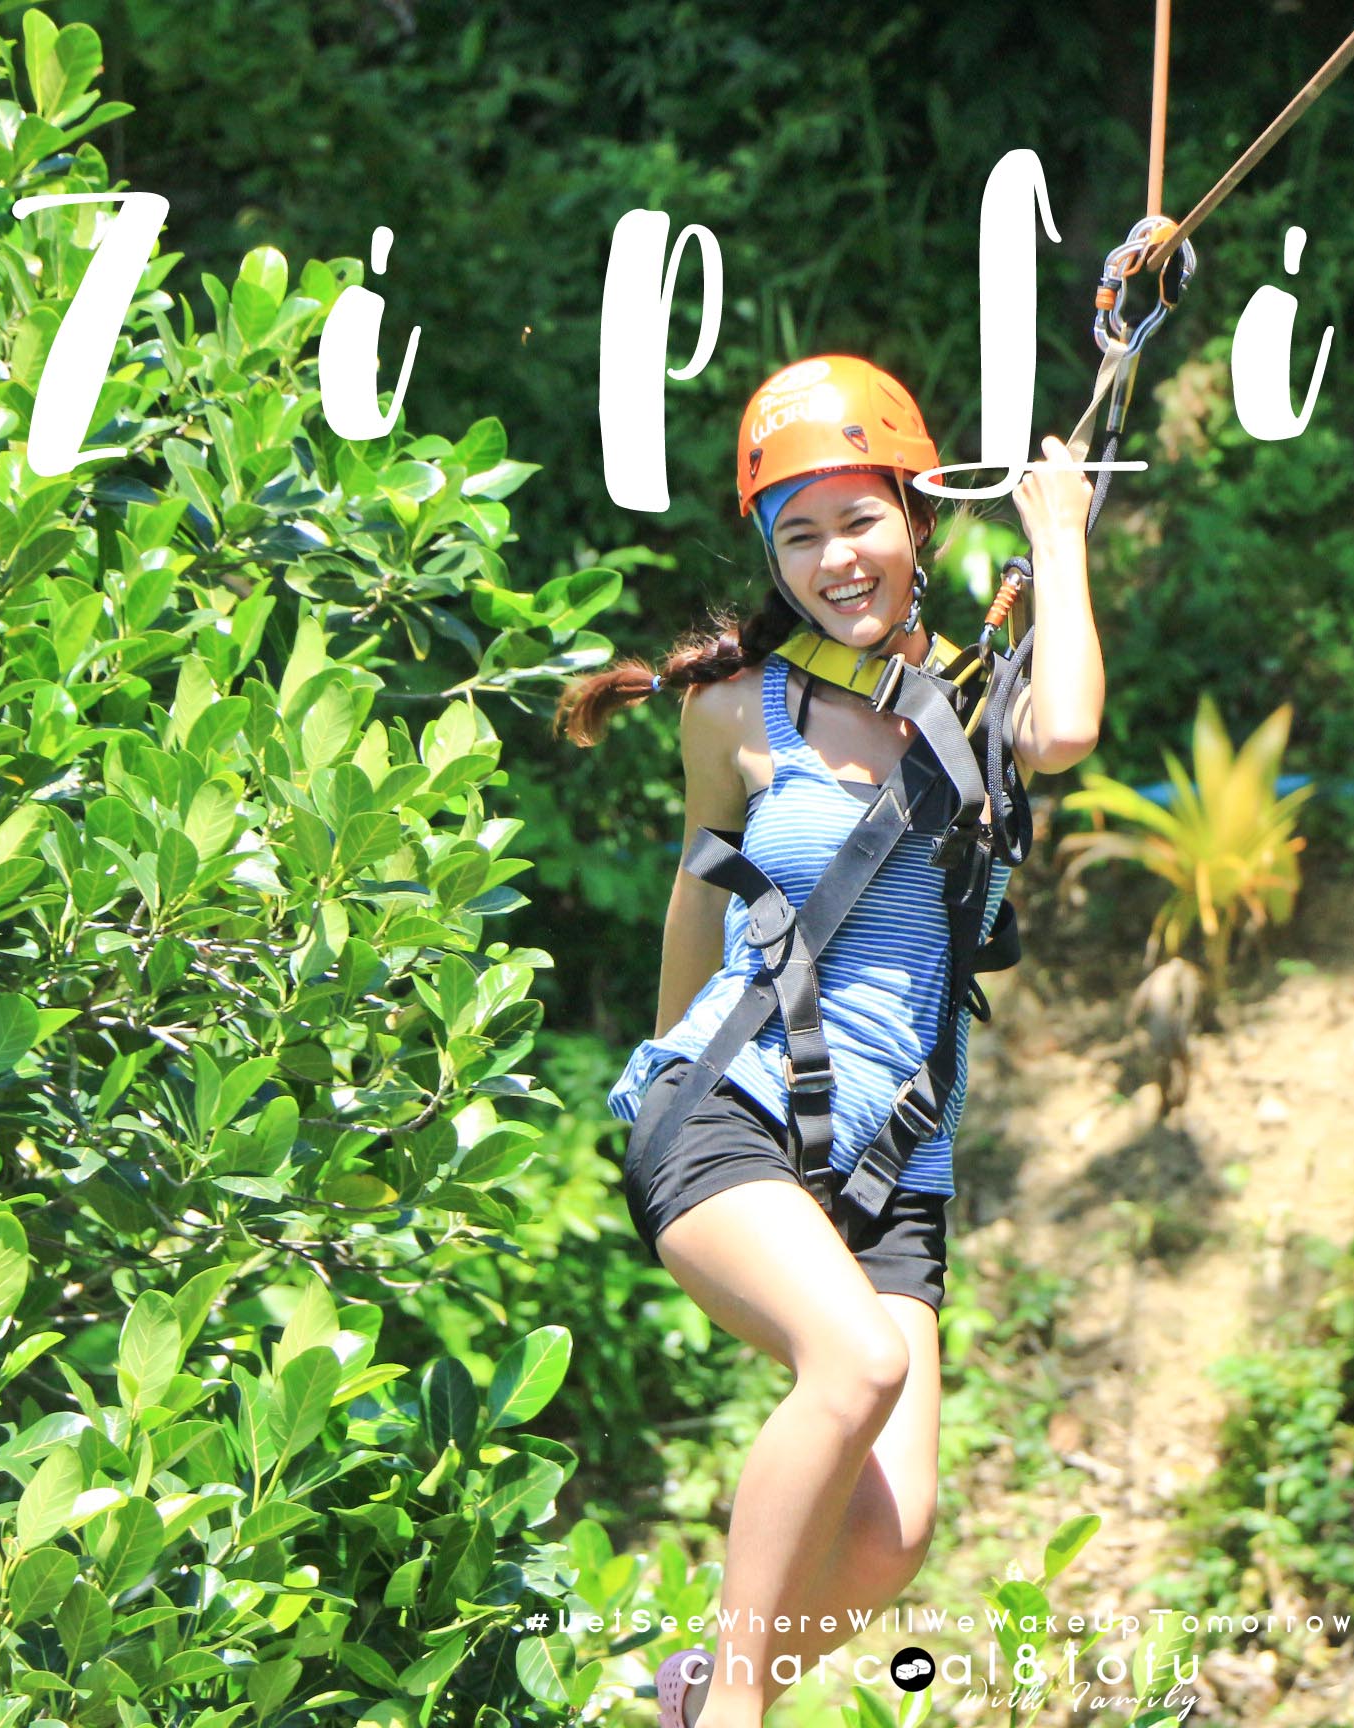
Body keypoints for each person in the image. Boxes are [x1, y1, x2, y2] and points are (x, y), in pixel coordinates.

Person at [556, 354, 1103, 1728]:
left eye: (859, 520)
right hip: (729, 1109)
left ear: (918, 518)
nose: (834, 559)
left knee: (893, 1530)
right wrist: (659, 1100)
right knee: (854, 1365)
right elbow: (699, 894)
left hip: (892, 1171)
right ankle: (737, 1715)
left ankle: (694, 1696)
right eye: (798, 535)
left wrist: (1059, 537)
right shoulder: (734, 710)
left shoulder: (981, 698)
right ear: (772, 557)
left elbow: (1070, 728)